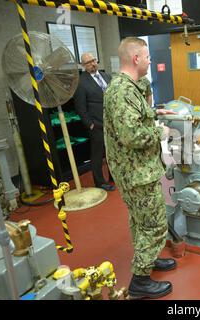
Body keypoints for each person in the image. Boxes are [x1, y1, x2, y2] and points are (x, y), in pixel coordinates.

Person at [103, 37, 177, 299]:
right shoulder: (123, 91)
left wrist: (156, 115)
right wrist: (160, 131)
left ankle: (148, 258)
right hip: (136, 172)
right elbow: (131, 134)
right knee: (155, 224)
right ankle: (140, 280)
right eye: (147, 57)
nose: (150, 61)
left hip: (137, 170)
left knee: (140, 221)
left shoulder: (127, 87)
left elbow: (136, 118)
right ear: (136, 59)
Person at [74, 53, 115, 192]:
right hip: (96, 124)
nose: (92, 64)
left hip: (112, 122)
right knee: (98, 155)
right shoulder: (81, 82)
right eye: (88, 62)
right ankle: (100, 182)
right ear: (83, 65)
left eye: (93, 60)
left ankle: (113, 176)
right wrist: (89, 124)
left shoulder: (106, 76)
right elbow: (80, 106)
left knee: (112, 152)